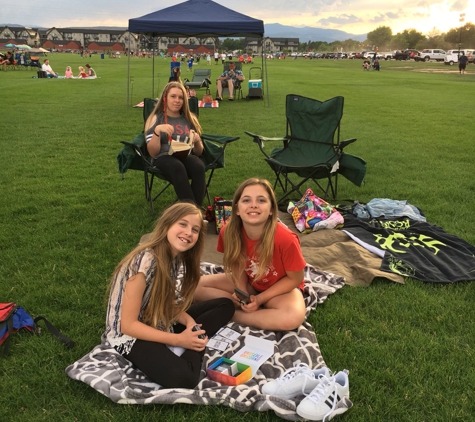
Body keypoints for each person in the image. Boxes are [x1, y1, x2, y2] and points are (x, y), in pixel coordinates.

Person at [104, 202, 235, 389]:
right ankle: (192, 345)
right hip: (131, 333)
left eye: (195, 229)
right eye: (182, 224)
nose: (189, 232)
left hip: (158, 318)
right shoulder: (144, 262)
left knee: (225, 305)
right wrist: (180, 340)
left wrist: (190, 323)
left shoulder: (174, 258)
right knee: (185, 378)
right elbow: (128, 325)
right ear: (167, 225)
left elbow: (167, 304)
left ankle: (193, 339)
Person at [194, 178, 307, 331]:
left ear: (272, 209)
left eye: (261, 200)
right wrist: (242, 293)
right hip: (250, 281)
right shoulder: (228, 231)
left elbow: (295, 278)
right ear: (237, 210)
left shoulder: (286, 239)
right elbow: (237, 264)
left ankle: (232, 314)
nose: (253, 205)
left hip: (279, 289)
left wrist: (260, 299)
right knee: (194, 287)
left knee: (292, 317)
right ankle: (253, 312)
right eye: (246, 200)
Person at [144, 82, 206, 207]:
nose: (177, 100)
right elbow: (152, 152)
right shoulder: (156, 118)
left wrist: (197, 141)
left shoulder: (189, 119)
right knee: (177, 167)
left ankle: (195, 212)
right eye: (173, 96)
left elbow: (198, 152)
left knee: (199, 166)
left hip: (184, 155)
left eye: (181, 97)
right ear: (165, 98)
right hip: (163, 157)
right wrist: (157, 131)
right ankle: (192, 213)